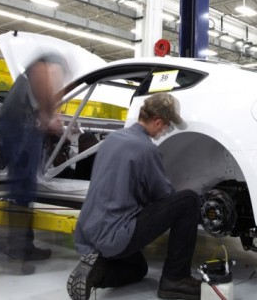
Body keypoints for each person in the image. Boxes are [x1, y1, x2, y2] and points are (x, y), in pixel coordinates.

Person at [68, 92, 201, 300]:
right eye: (168, 125)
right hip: (116, 234)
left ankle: (97, 272)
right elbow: (164, 196)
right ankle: (175, 279)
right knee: (189, 201)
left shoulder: (112, 139)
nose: (166, 130)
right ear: (158, 121)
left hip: (88, 232)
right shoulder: (146, 149)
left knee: (138, 268)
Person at [0, 53, 67, 274]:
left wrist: (50, 114)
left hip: (21, 124)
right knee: (21, 189)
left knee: (25, 188)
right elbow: (42, 79)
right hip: (19, 124)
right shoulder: (45, 64)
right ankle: (9, 252)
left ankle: (22, 247)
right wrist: (47, 115)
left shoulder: (47, 65)